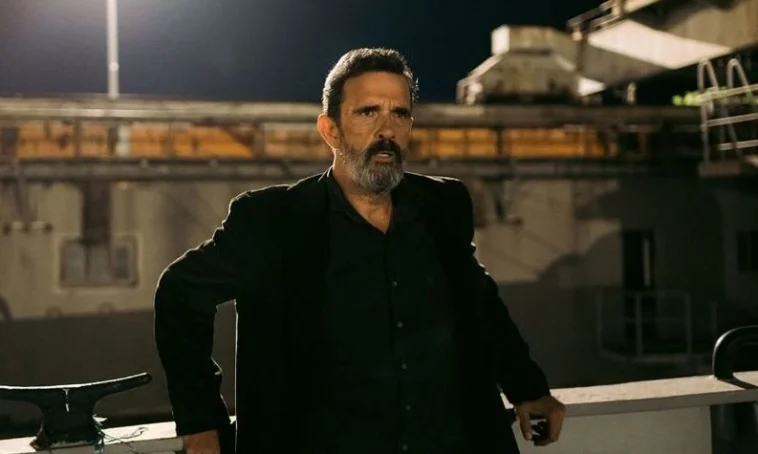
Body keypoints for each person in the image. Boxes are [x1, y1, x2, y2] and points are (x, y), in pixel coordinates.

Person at [154, 47, 565, 454]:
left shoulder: (442, 205)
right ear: (330, 130)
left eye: (399, 113)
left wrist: (527, 387)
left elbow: (480, 302)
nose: (387, 129)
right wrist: (201, 422)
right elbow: (180, 291)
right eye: (368, 112)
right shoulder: (274, 221)